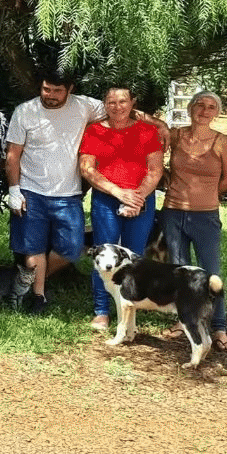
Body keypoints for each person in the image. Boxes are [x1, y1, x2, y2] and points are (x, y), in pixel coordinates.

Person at [5, 70, 105, 315]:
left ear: (70, 89)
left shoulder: (84, 106)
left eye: (57, 91)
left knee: (71, 248)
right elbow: (13, 155)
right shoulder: (25, 111)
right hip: (31, 191)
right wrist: (14, 190)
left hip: (68, 193)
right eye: (46, 89)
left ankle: (25, 281)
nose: (49, 96)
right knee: (33, 247)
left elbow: (118, 110)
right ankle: (39, 296)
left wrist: (156, 123)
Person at [78, 86, 163, 331]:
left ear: (132, 102)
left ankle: (128, 310)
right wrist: (118, 193)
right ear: (105, 104)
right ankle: (102, 311)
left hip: (141, 199)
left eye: (123, 101)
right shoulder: (94, 131)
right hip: (106, 199)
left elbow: (155, 169)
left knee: (134, 256)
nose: (117, 107)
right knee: (104, 254)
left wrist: (136, 198)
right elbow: (87, 169)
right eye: (112, 102)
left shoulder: (147, 131)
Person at [162, 90, 227, 352]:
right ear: (191, 108)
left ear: (216, 112)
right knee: (179, 270)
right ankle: (184, 321)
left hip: (206, 216)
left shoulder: (223, 142)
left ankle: (219, 328)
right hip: (172, 212)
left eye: (211, 107)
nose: (204, 110)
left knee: (210, 271)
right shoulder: (177, 135)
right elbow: (156, 154)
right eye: (200, 105)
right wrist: (165, 177)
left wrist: (209, 194)